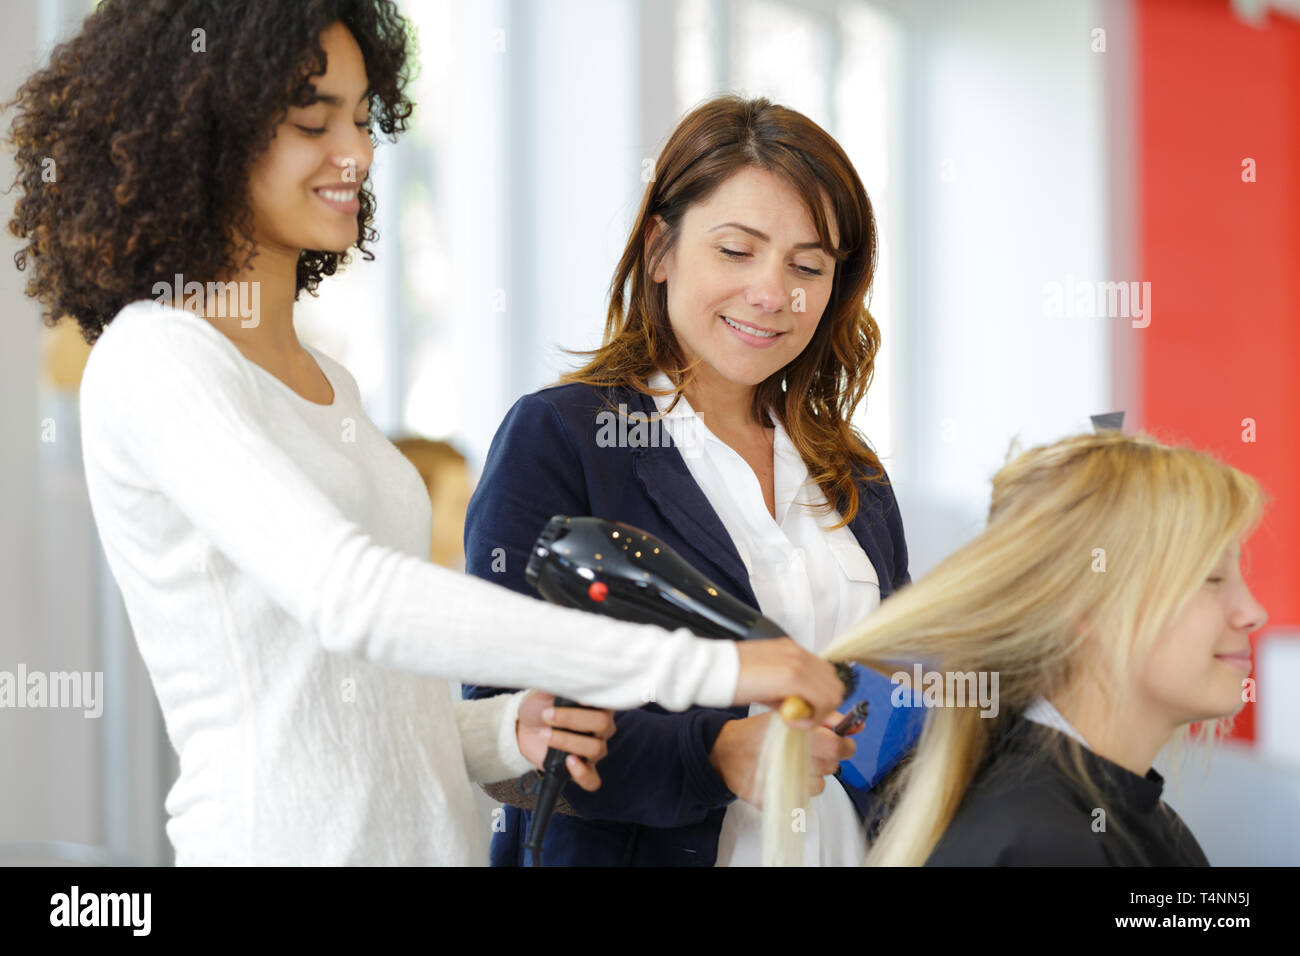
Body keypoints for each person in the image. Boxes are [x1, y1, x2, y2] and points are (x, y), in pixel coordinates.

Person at [4, 0, 844, 865]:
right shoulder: (156, 359)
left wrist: (500, 730)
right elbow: (354, 596)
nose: (359, 153)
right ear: (200, 132)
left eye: (364, 118)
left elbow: (357, 712)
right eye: (313, 120)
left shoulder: (327, 383)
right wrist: (722, 670)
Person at [463, 94, 910, 866]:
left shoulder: (851, 473)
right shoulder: (564, 439)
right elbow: (507, 736)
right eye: (737, 251)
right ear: (660, 251)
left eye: (808, 266)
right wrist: (715, 751)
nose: (773, 293)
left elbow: (893, 698)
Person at [758, 430, 1268, 866]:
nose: (1252, 613)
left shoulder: (1093, 820)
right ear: (1087, 606)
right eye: (1211, 578)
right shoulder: (1040, 844)